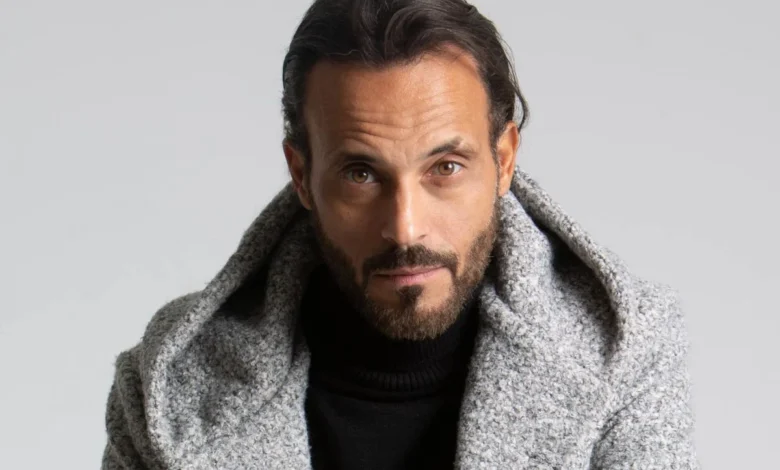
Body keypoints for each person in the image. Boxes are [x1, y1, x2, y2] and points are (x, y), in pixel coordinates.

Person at [101, 0, 699, 468]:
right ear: (302, 175)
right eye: (361, 174)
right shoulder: (167, 384)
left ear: (504, 160)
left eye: (446, 168)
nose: (405, 227)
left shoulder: (624, 350)